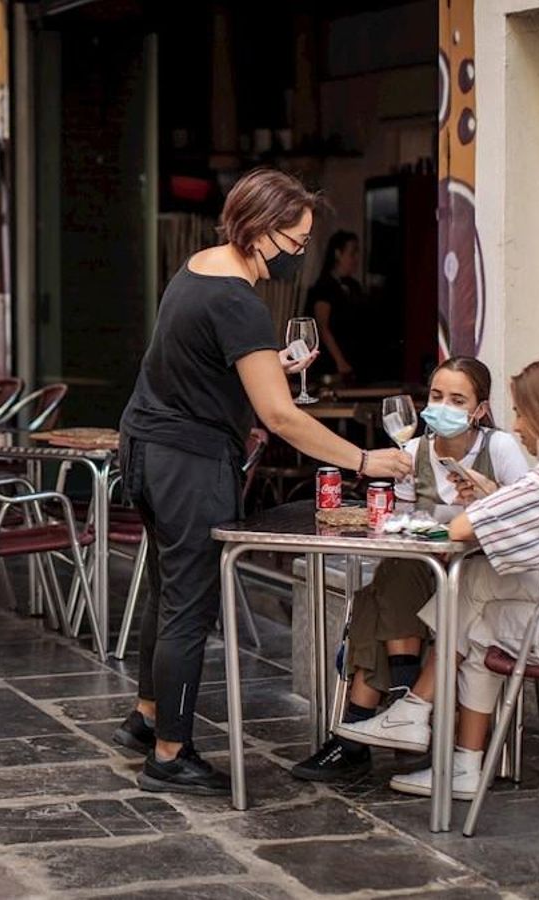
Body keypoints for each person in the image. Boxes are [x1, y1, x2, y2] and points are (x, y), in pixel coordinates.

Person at [114, 168, 413, 796]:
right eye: (296, 242)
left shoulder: (199, 268)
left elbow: (194, 363)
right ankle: (170, 754)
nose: (300, 256)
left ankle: (148, 717)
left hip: (147, 447)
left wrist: (267, 365)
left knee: (168, 592)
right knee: (190, 605)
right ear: (258, 229)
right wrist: (366, 461)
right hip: (188, 463)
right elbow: (281, 418)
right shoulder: (240, 301)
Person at [338, 355, 539, 799]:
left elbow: (458, 529)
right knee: (476, 583)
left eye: (524, 412)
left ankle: (433, 732)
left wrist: (485, 505)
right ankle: (428, 728)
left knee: (477, 618)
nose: (519, 425)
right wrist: (493, 497)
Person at [292, 356, 530, 781]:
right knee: (389, 581)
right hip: (426, 572)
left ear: (480, 409)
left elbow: (525, 522)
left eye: (458, 400)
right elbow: (398, 530)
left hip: (483, 576)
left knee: (378, 595)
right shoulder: (413, 453)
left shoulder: (500, 449)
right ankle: (403, 705)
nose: (443, 407)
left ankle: (357, 738)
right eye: (437, 396)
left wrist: (486, 498)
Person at [304, 230, 365, 382]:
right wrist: (340, 361)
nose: (356, 258)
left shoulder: (354, 286)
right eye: (352, 253)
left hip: (354, 360)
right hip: (332, 365)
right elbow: (322, 326)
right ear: (338, 253)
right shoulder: (324, 287)